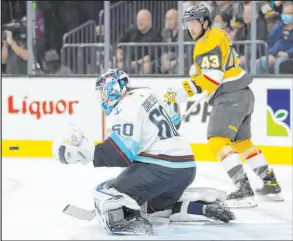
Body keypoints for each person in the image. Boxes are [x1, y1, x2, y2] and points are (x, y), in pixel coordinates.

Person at [52, 69, 235, 235]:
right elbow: (175, 121)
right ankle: (201, 208)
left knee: (109, 191)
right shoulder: (147, 92)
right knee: (156, 212)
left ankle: (128, 219)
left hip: (160, 167)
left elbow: (121, 154)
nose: (102, 98)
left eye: (103, 92)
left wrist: (82, 154)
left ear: (113, 89)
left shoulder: (124, 107)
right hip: (186, 169)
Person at [164, 4, 283, 208]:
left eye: (194, 23)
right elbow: (213, 69)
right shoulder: (218, 34)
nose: (190, 28)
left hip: (230, 96)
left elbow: (212, 78)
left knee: (217, 140)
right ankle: (269, 182)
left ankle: (243, 189)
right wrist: (195, 76)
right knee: (242, 143)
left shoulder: (206, 42)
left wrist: (183, 90)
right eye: (188, 23)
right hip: (244, 94)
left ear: (205, 23)